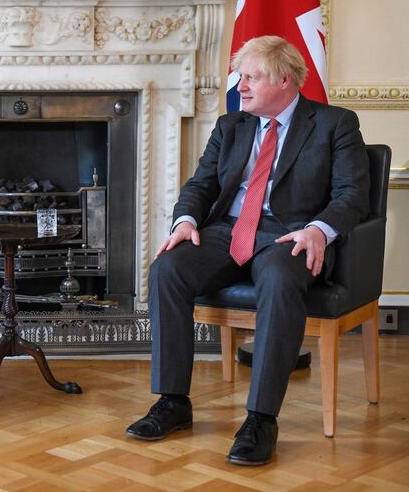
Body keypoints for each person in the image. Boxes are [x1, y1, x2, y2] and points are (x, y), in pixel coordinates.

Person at [126, 36, 370, 465]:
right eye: (240, 76)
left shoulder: (335, 124)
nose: (240, 86)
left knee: (278, 278)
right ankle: (173, 402)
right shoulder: (230, 126)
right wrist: (184, 221)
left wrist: (319, 230)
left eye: (251, 77)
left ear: (285, 80)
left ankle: (261, 419)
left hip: (290, 234)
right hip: (228, 230)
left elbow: (353, 194)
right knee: (167, 268)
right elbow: (201, 185)